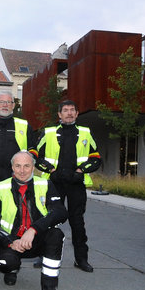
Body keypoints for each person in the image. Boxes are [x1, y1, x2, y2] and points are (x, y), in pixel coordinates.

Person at [0, 151, 67, 290]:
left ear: (33, 167)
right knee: (6, 263)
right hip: (11, 240)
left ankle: (49, 286)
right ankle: (11, 269)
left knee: (56, 234)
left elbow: (60, 212)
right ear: (12, 167)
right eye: (18, 166)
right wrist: (9, 241)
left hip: (36, 238)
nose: (22, 170)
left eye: (27, 166)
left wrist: (34, 229)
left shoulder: (45, 184)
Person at [36, 100, 101, 272]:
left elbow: (96, 158)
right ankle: (41, 255)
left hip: (76, 184)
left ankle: (81, 259)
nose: (69, 113)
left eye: (73, 110)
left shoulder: (86, 133)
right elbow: (35, 155)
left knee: (77, 223)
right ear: (59, 114)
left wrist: (81, 170)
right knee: (48, 220)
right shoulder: (48, 133)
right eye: (65, 110)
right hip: (53, 183)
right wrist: (50, 169)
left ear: (77, 114)